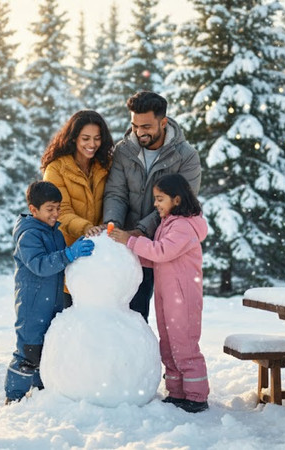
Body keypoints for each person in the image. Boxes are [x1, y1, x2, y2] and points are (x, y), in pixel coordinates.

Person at [95, 91, 201, 322]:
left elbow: (179, 205)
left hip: (162, 245)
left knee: (163, 314)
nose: (139, 132)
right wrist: (113, 225)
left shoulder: (186, 157)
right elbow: (116, 192)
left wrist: (142, 231)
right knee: (122, 308)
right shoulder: (124, 151)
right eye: (135, 126)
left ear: (163, 122)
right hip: (126, 242)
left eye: (146, 126)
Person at [109, 173, 209, 413]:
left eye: (160, 199)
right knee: (169, 343)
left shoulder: (184, 226)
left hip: (183, 296)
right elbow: (156, 258)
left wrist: (130, 241)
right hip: (167, 296)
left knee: (184, 344)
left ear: (177, 199)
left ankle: (196, 396)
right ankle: (177, 392)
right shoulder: (168, 223)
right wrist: (130, 255)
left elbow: (162, 251)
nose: (155, 204)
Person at [4, 181, 95, 404]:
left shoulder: (54, 232)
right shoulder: (29, 235)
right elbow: (40, 265)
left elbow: (60, 261)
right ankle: (14, 396)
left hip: (53, 300)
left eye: (58, 208)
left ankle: (41, 388)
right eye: (49, 209)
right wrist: (68, 254)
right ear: (33, 209)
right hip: (32, 303)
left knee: (47, 347)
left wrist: (75, 253)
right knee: (29, 349)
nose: (55, 214)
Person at [41, 110, 114, 307]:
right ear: (74, 138)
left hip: (101, 254)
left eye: (97, 138)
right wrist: (86, 228)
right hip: (67, 252)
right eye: (86, 138)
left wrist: (106, 227)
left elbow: (114, 198)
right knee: (70, 312)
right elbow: (59, 211)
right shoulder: (56, 169)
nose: (92, 144)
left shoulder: (105, 166)